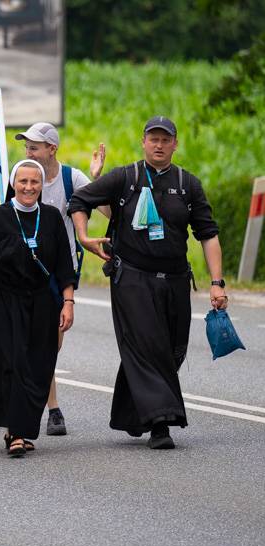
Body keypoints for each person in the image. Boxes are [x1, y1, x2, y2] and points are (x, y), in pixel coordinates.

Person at [68, 116, 227, 450]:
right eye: (153, 139)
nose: (159, 144)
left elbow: (208, 235)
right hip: (133, 278)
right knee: (147, 343)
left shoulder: (188, 184)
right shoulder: (125, 177)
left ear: (175, 144)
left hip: (175, 279)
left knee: (171, 349)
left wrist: (217, 282)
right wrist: (84, 237)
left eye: (165, 139)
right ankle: (161, 423)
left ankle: (132, 413)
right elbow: (79, 200)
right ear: (143, 142)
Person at [0, 160, 76, 457]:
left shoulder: (51, 217)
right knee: (12, 364)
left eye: (35, 182)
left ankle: (24, 429)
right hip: (3, 301)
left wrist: (68, 302)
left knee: (39, 367)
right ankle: (15, 432)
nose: (28, 187)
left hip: (42, 302)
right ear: (14, 184)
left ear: (41, 186)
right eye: (23, 181)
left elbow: (65, 266)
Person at [15, 121, 106, 436]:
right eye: (27, 147)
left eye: (34, 147)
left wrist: (96, 180)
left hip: (59, 272)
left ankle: (46, 404)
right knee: (29, 342)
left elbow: (109, 211)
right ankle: (51, 408)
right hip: (23, 272)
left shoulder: (71, 179)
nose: (28, 152)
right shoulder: (21, 178)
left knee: (49, 343)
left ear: (51, 149)